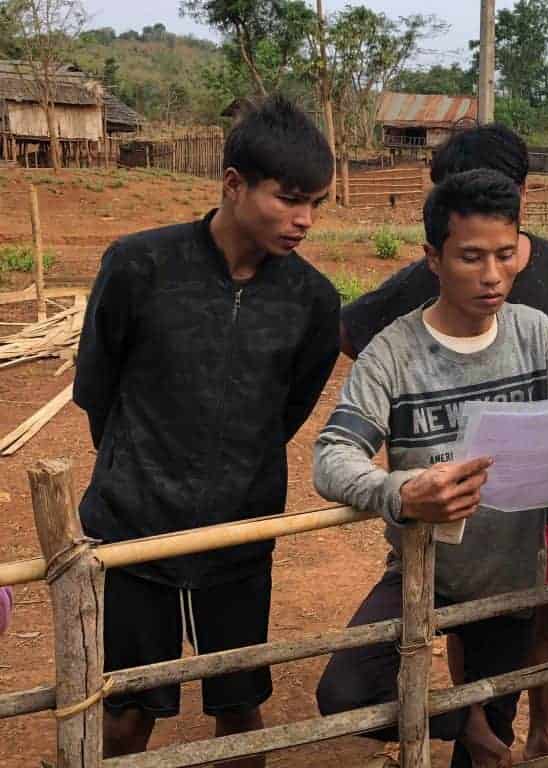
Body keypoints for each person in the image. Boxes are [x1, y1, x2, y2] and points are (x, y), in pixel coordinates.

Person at [313, 168, 548, 768]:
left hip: (510, 576)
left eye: (506, 255)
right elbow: (332, 457)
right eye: (472, 257)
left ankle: (475, 723)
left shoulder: (536, 337)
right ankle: (464, 715)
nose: (493, 275)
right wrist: (403, 492)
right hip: (422, 566)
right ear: (433, 257)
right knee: (345, 690)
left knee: (486, 752)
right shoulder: (393, 353)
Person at [73, 96, 341, 764]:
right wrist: (140, 469)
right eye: (290, 199)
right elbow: (97, 388)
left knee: (240, 705)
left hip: (241, 531)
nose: (304, 220)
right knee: (128, 710)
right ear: (233, 184)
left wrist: (234, 466)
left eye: (317, 204)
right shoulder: (139, 266)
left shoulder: (312, 299)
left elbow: (290, 408)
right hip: (134, 528)